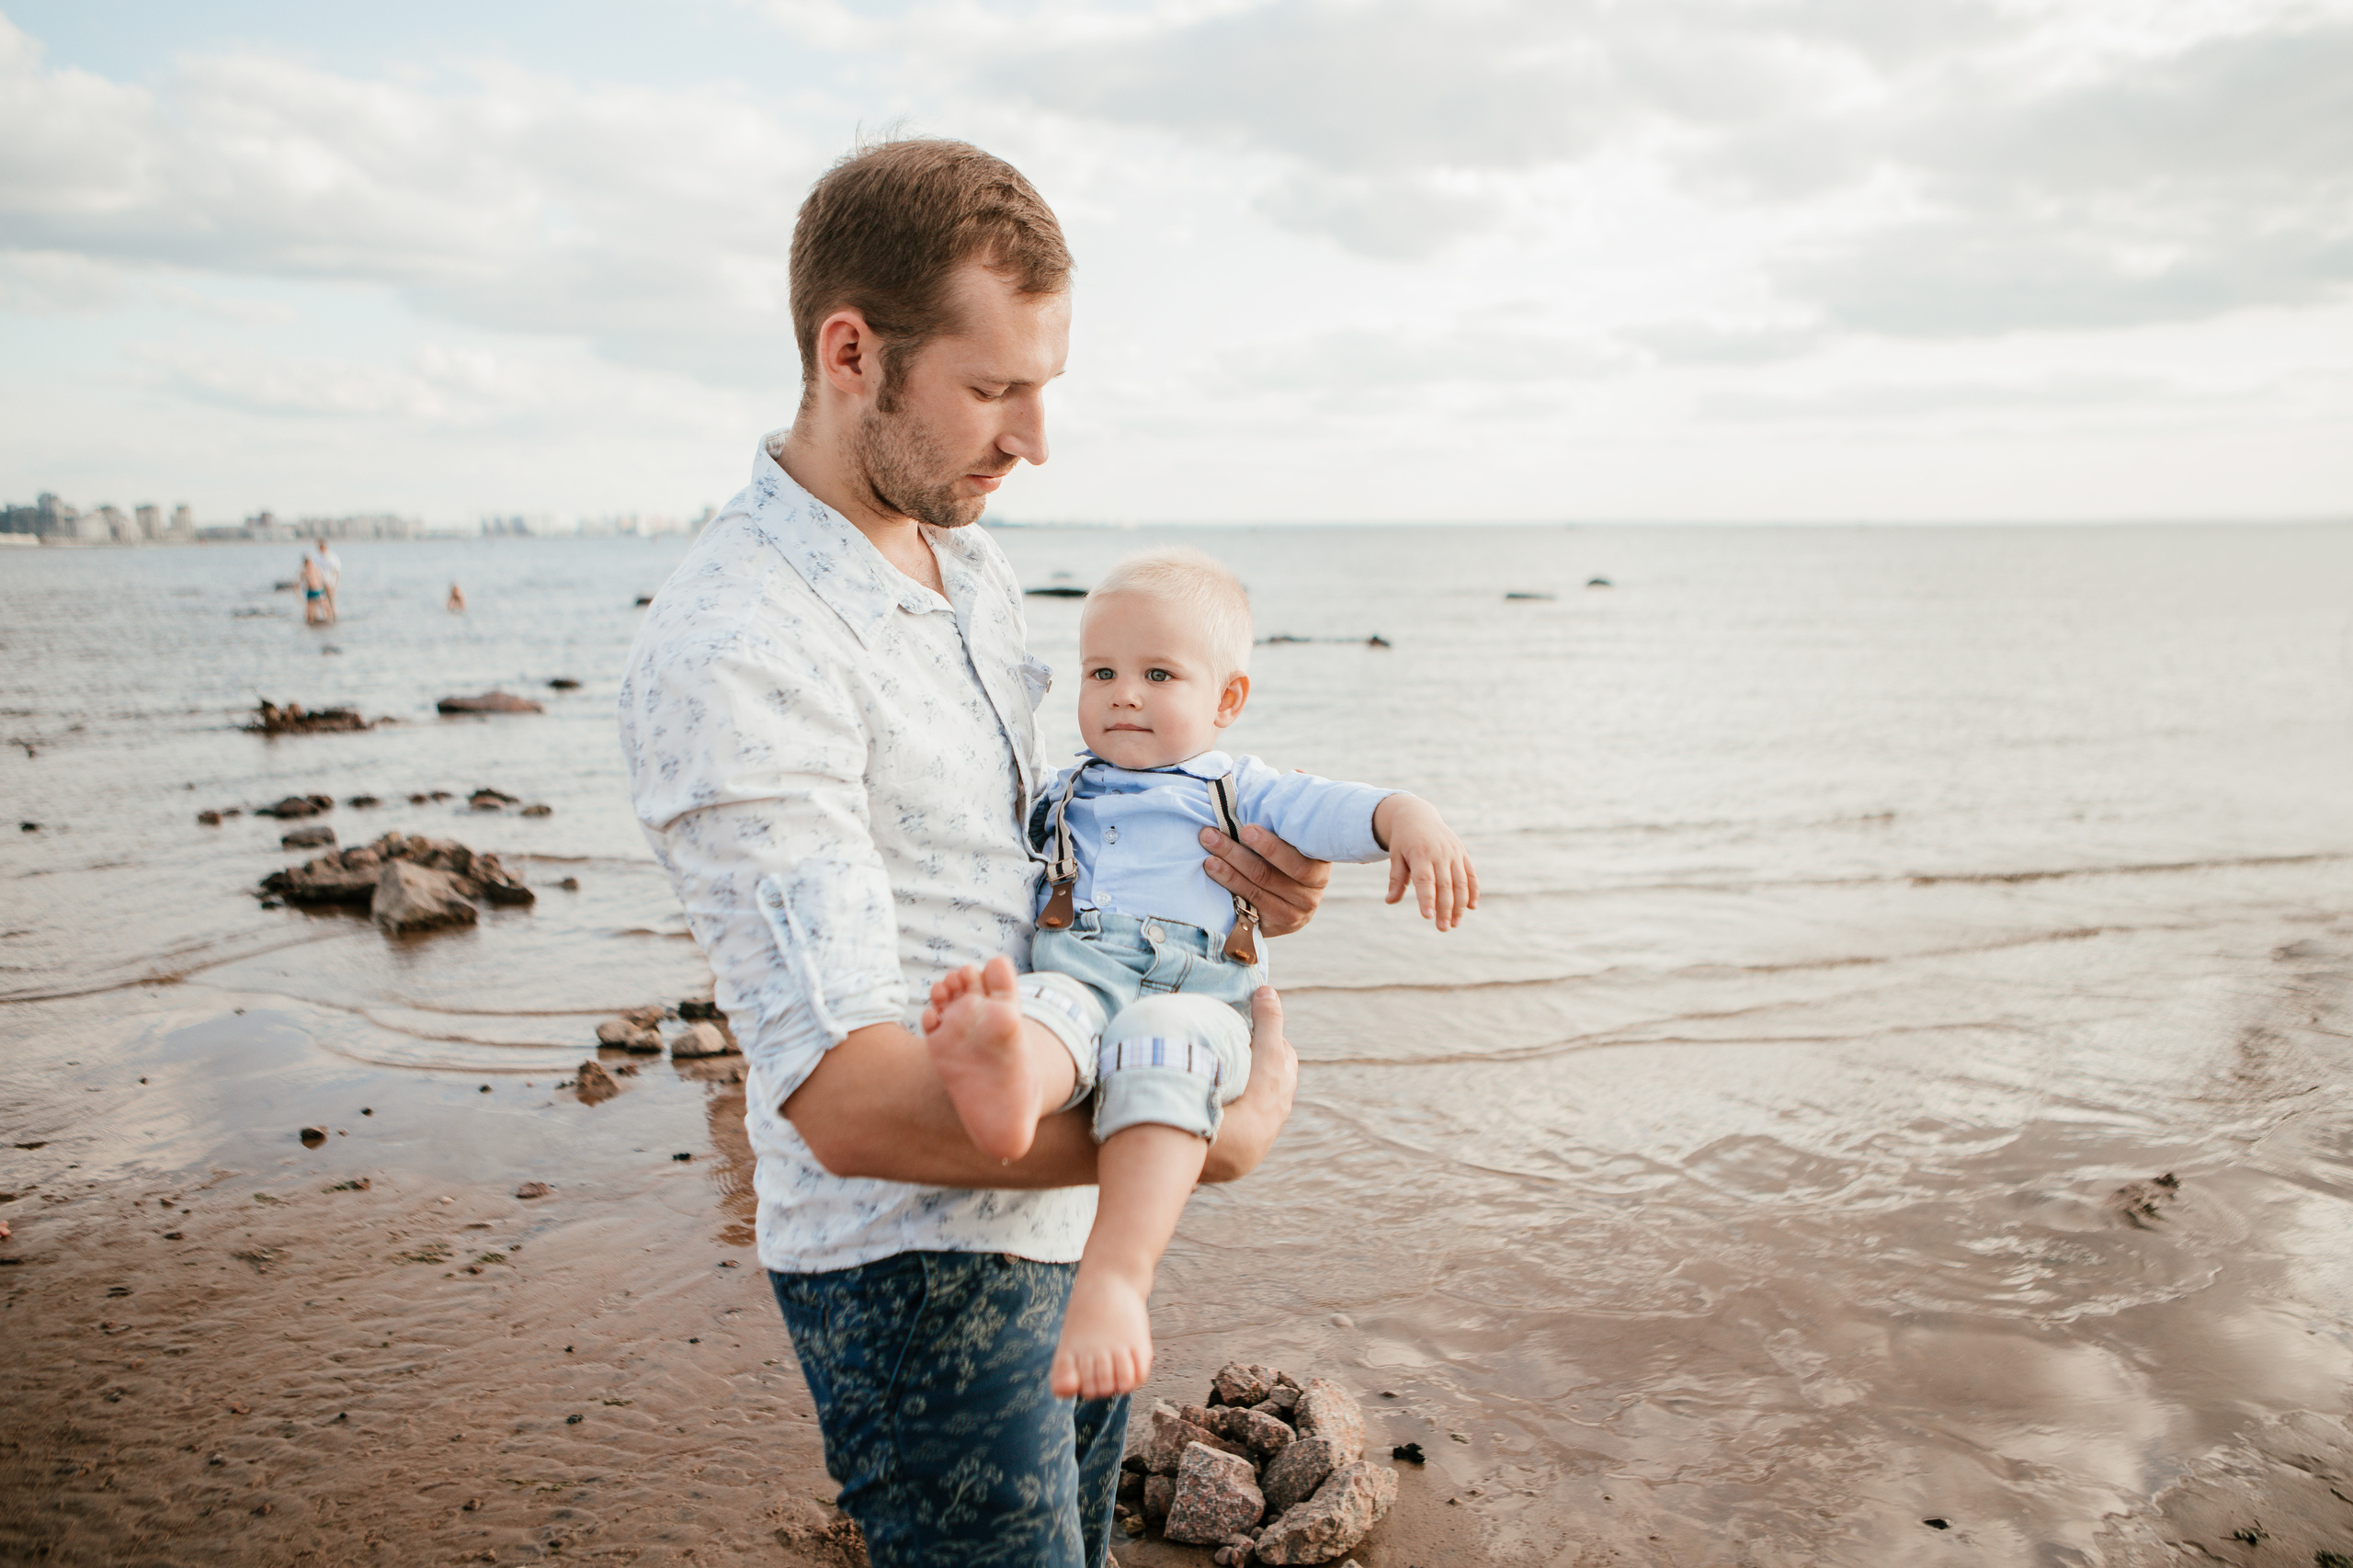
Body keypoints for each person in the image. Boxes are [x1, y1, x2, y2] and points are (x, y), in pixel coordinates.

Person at [618, 140, 1325, 1568]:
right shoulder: (736, 644)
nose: (1034, 440)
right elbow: (849, 1103)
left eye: (1044, 388)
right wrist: (1205, 1139)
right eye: (994, 388)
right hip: (910, 1262)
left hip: (1057, 1228)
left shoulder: (969, 564)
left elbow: (1030, 863)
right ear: (851, 352)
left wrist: (1226, 880)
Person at [922, 547, 1476, 1403]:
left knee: (1161, 1046)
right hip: (1083, 967)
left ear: (1227, 700)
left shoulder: (1238, 788)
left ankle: (1116, 1277)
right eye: (1100, 672)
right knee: (1046, 1008)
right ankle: (1008, 1082)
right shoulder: (1063, 789)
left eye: (1158, 673)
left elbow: (1331, 810)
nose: (1124, 694)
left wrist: (1406, 814)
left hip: (1195, 995)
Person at [313, 539, 342, 622]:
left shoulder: (332, 557)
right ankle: (324, 618)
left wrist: (334, 584)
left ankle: (333, 618)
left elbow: (337, 571)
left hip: (330, 582)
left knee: (331, 601)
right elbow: (315, 570)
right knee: (320, 602)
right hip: (320, 582)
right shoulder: (317, 557)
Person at [299, 551, 326, 625]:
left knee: (324, 607)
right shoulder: (304, 571)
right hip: (310, 591)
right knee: (309, 610)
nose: (308, 563)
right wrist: (299, 594)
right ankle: (311, 622)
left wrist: (323, 589)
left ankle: (327, 621)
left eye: (309, 561)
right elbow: (300, 583)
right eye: (306, 562)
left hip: (318, 590)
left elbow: (322, 579)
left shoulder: (316, 569)